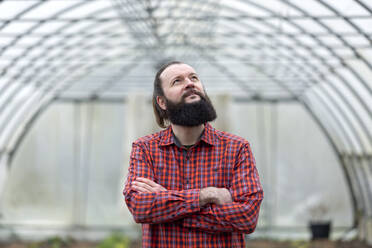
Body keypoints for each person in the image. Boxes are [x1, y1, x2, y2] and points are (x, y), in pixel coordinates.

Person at [123, 61, 263, 247]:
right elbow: (140, 208)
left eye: (194, 77)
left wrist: (168, 203)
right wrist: (205, 195)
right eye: (177, 81)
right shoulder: (145, 149)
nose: (190, 83)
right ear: (162, 102)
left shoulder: (236, 149)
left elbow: (247, 218)